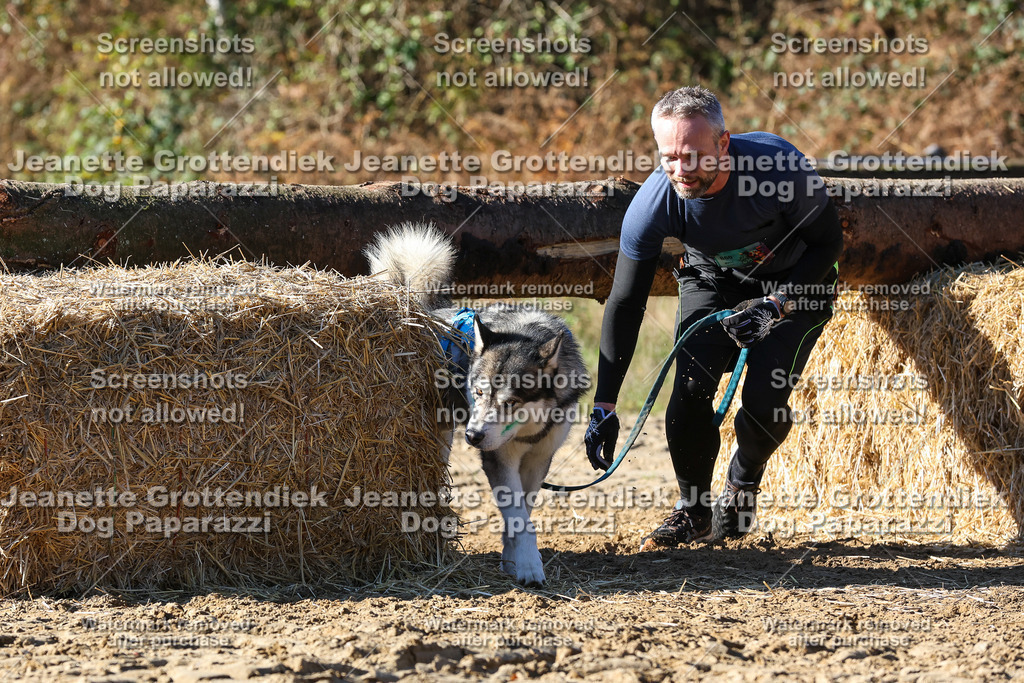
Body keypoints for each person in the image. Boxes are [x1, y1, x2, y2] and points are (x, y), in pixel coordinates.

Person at [583, 85, 843, 548]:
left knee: (765, 400)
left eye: (693, 156)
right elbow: (626, 302)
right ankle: (695, 510)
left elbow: (828, 244)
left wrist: (775, 306)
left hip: (797, 280)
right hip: (714, 279)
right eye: (668, 157)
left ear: (724, 144)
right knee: (688, 392)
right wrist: (604, 403)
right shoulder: (654, 202)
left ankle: (743, 479)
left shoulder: (778, 168)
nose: (680, 171)